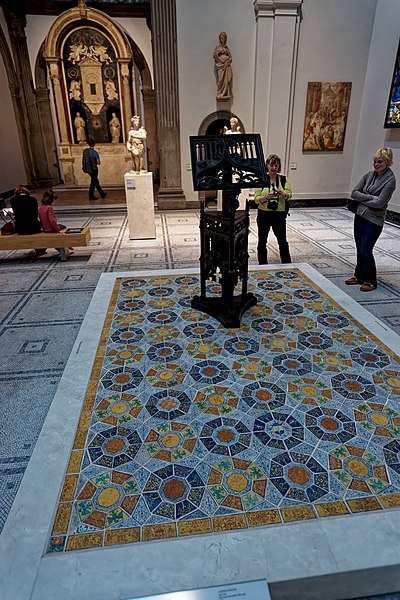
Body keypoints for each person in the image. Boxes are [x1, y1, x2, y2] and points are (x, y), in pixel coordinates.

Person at [345, 147, 396, 292]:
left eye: (380, 162)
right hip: (360, 216)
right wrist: (371, 197)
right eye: (375, 161)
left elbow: (380, 203)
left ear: (387, 162)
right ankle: (359, 275)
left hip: (374, 220)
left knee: (366, 250)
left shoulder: (390, 180)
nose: (376, 164)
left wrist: (364, 198)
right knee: (359, 248)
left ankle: (371, 280)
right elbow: (354, 193)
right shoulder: (369, 175)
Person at [254, 153, 292, 265]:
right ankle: (262, 265)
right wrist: (266, 197)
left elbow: (289, 195)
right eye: (271, 165)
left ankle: (287, 264)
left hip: (279, 216)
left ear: (279, 166)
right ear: (267, 166)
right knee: (262, 242)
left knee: (282, 242)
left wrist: (282, 193)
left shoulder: (284, 180)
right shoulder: (262, 179)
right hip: (264, 215)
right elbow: (256, 199)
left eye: (276, 165)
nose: (274, 168)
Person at [10, 185, 46, 256]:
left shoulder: (13, 200)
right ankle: (40, 249)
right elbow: (35, 214)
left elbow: (16, 213)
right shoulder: (33, 200)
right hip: (34, 227)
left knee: (15, 222)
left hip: (20, 229)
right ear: (27, 192)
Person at [213, 32, 233, 101]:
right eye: (221, 38)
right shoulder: (218, 48)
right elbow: (215, 56)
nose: (222, 40)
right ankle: (220, 93)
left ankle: (225, 93)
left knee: (226, 80)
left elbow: (230, 57)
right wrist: (221, 60)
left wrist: (227, 61)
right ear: (219, 39)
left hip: (226, 66)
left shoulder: (226, 48)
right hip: (220, 66)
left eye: (224, 38)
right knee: (221, 79)